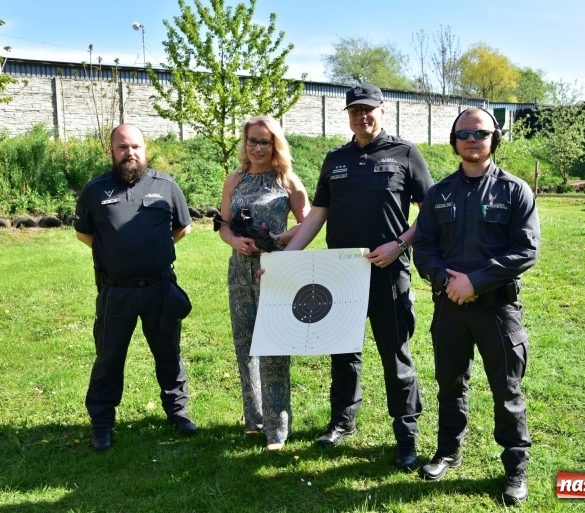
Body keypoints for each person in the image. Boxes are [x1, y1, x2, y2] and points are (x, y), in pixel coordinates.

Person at [282, 83, 434, 471]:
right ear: (348, 116)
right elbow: (317, 214)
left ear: (382, 111)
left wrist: (399, 245)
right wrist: (286, 259)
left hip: (388, 271)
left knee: (395, 355)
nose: (362, 116)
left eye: (368, 109)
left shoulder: (405, 153)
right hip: (341, 272)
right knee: (343, 351)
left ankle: (406, 434)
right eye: (354, 110)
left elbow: (430, 213)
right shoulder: (335, 159)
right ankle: (342, 421)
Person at [412, 107, 540, 503]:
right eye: (464, 133)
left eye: (480, 133)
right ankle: (447, 452)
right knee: (450, 384)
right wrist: (447, 281)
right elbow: (424, 247)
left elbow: (526, 250)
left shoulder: (514, 190)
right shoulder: (439, 193)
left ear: (493, 139)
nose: (472, 139)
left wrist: (476, 282)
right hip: (450, 307)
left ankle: (515, 468)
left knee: (507, 389)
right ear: (454, 141)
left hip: (497, 310)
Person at [74, 123, 197, 451]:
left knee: (169, 354)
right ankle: (102, 423)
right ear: (112, 151)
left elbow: (183, 228)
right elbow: (84, 233)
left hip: (160, 288)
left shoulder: (166, 185)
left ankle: (178, 412)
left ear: (145, 149)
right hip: (116, 291)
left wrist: (153, 251)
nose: (130, 153)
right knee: (108, 358)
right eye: (122, 147)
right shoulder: (95, 190)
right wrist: (115, 254)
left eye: (135, 147)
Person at [217, 116, 310, 452]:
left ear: (275, 144)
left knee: (274, 347)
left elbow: (308, 223)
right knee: (245, 344)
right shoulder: (234, 180)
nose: (257, 148)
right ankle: (254, 419)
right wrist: (234, 241)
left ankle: (277, 429)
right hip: (239, 271)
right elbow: (223, 224)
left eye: (264, 141)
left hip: (274, 270)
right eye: (252, 141)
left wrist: (277, 239)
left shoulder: (287, 180)